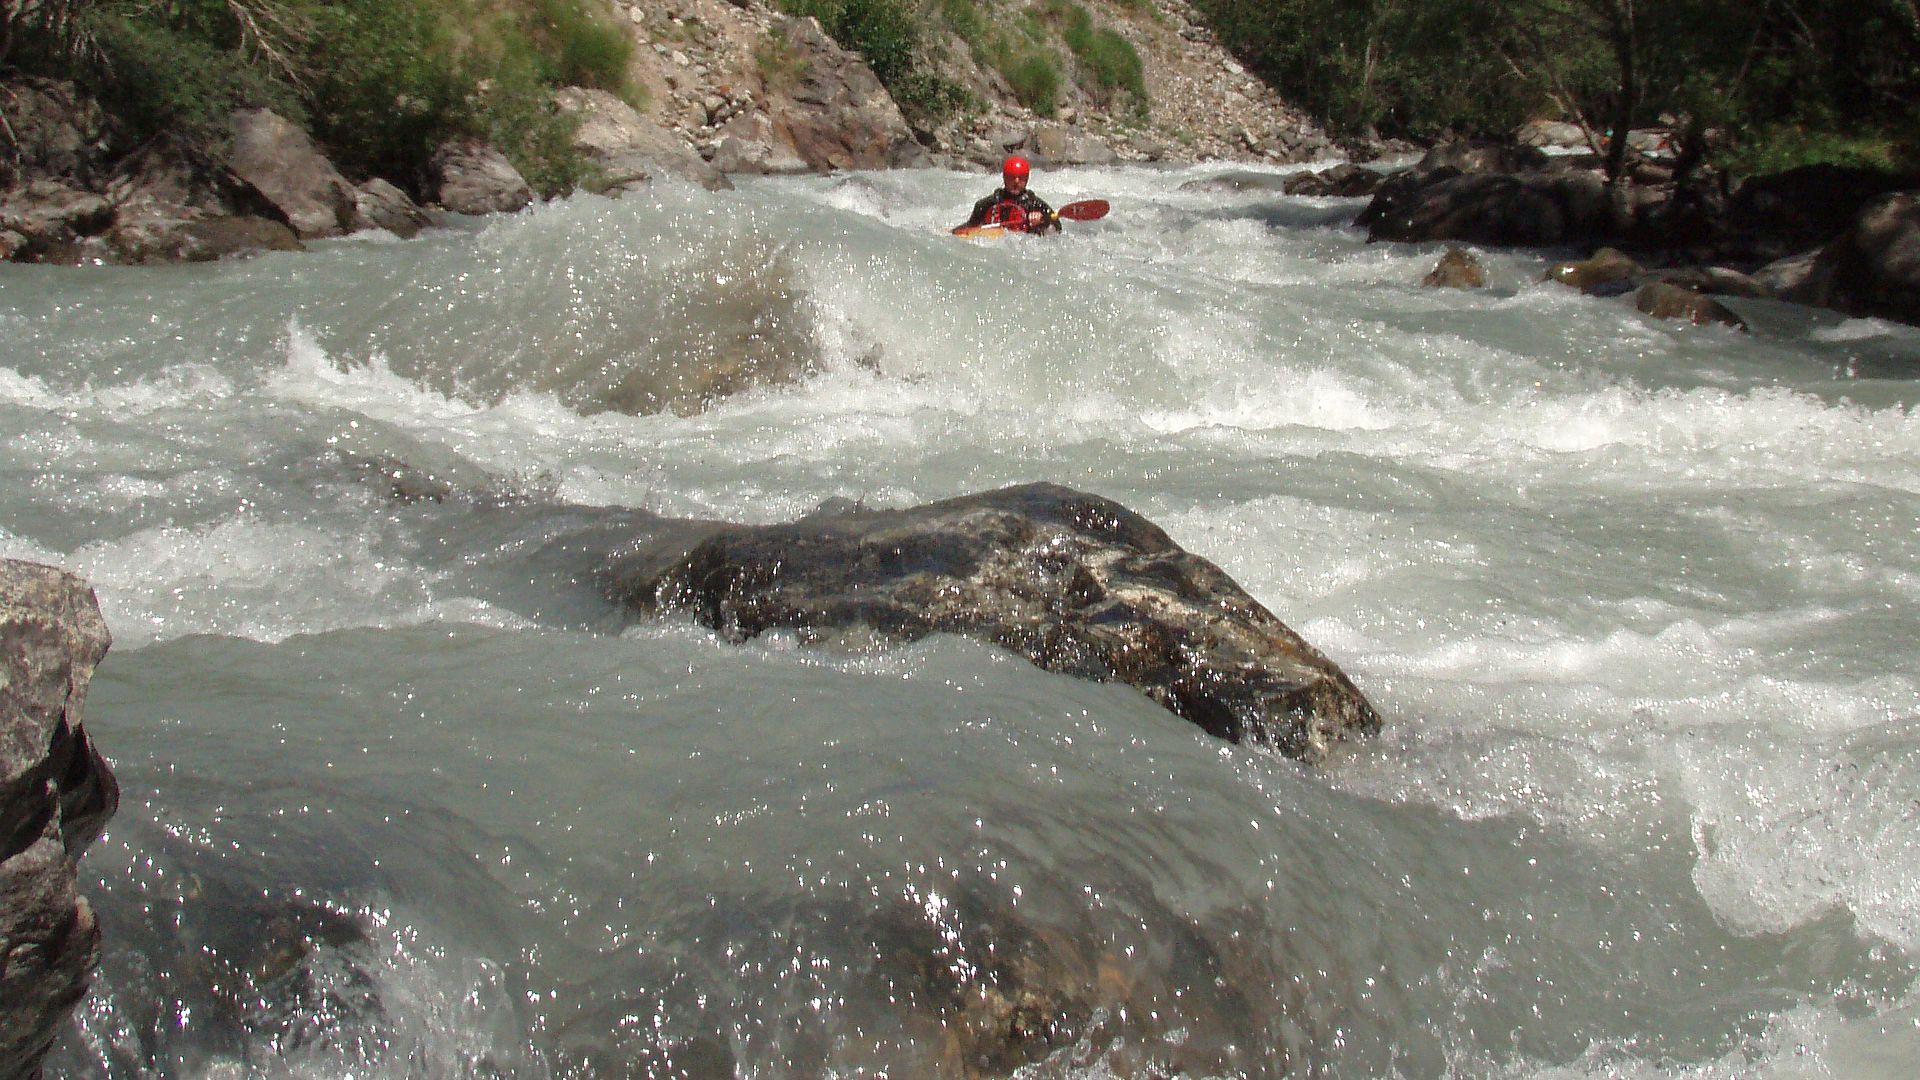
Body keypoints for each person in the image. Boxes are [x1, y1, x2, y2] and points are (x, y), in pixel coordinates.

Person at [961, 156, 1059, 234]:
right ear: (1004, 178)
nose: (1016, 182)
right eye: (1012, 177)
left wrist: (1043, 221)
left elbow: (1057, 227)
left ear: (1026, 179)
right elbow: (970, 228)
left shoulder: (1035, 205)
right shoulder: (986, 204)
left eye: (1021, 178)